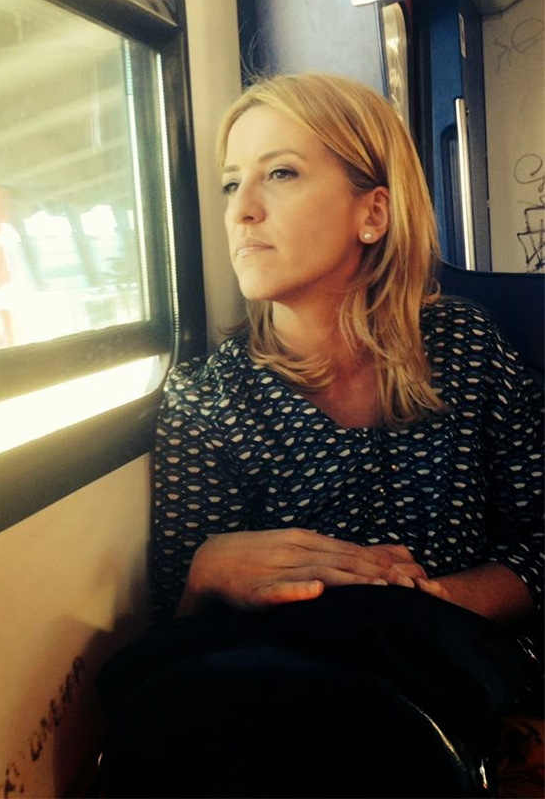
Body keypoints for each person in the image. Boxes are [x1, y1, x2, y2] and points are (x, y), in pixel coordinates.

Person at [97, 73, 543, 798]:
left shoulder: (466, 347)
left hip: (450, 698)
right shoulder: (209, 398)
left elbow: (539, 545)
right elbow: (179, 638)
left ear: (373, 213)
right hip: (270, 717)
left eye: (280, 173)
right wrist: (208, 574)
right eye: (230, 183)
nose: (242, 210)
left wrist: (423, 603)